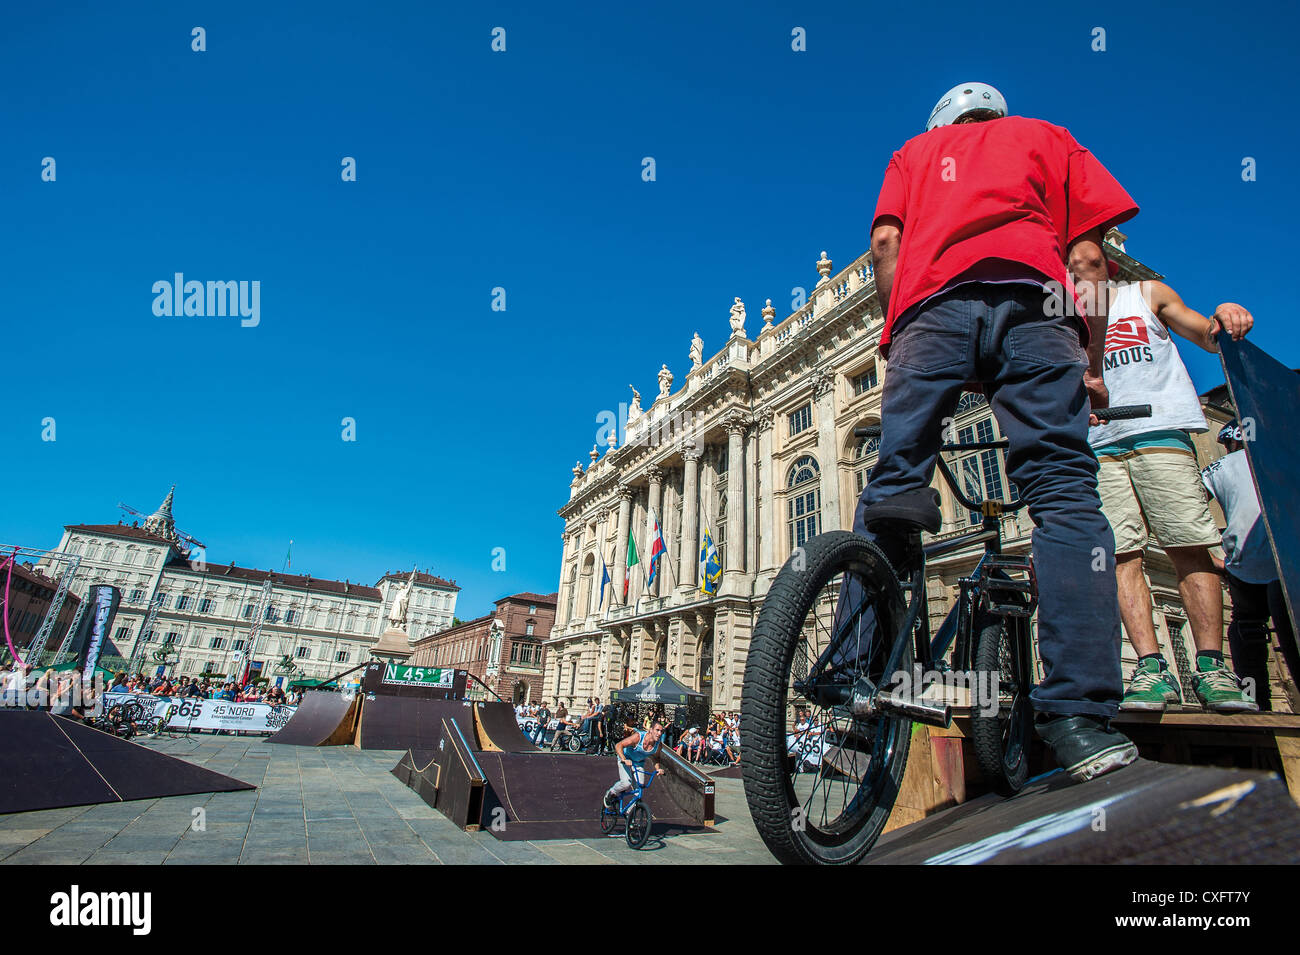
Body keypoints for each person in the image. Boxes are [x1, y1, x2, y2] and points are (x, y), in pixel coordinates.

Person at [861, 82, 1140, 781]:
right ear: (998, 115)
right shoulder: (1048, 138)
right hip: (1036, 307)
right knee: (1066, 496)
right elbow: (1089, 262)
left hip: (931, 310)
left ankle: (859, 678)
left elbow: (887, 246)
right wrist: (1094, 359)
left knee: (892, 493)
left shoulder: (915, 153)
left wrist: (899, 334)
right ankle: (1078, 718)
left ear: (942, 123)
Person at [1087, 275, 1258, 711]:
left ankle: (1212, 667)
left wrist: (1224, 313)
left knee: (1188, 544)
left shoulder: (1144, 293)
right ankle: (1149, 669)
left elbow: (1208, 336)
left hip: (1158, 430)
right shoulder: (1061, 314)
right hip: (1097, 444)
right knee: (1121, 555)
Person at [1202, 420, 1300, 711]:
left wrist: (1208, 559)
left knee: (1247, 627)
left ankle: (1257, 701)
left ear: (1231, 442)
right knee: (1290, 630)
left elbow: (1186, 513)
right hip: (1287, 557)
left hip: (1245, 562)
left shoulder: (1220, 467)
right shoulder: (1283, 454)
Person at [603, 719, 665, 809]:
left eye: (661, 731)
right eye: (657, 730)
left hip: (638, 764)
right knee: (626, 783)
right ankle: (611, 793)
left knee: (639, 790)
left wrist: (658, 769)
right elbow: (619, 745)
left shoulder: (658, 745)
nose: (659, 733)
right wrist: (624, 759)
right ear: (650, 730)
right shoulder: (638, 737)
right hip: (625, 758)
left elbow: (656, 758)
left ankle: (630, 814)